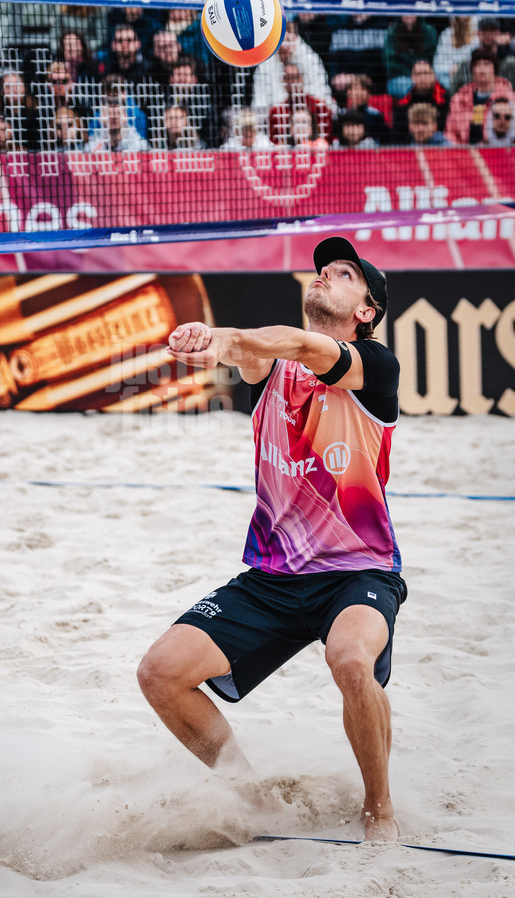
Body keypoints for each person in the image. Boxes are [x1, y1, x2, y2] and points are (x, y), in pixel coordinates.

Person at [138, 236, 406, 842]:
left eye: (344, 274)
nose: (325, 274)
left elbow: (300, 344)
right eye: (323, 269)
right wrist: (212, 341)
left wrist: (224, 337)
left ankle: (380, 810)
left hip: (358, 572)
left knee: (351, 662)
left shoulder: (375, 365)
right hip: (272, 577)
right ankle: (253, 797)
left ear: (366, 310)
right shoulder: (273, 364)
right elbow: (249, 349)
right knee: (159, 673)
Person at [445, 49, 515, 143]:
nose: (482, 69)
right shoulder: (459, 99)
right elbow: (450, 134)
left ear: (494, 69)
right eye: (478, 64)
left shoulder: (508, 96)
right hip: (464, 150)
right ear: (472, 69)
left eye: (486, 64)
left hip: (499, 149)